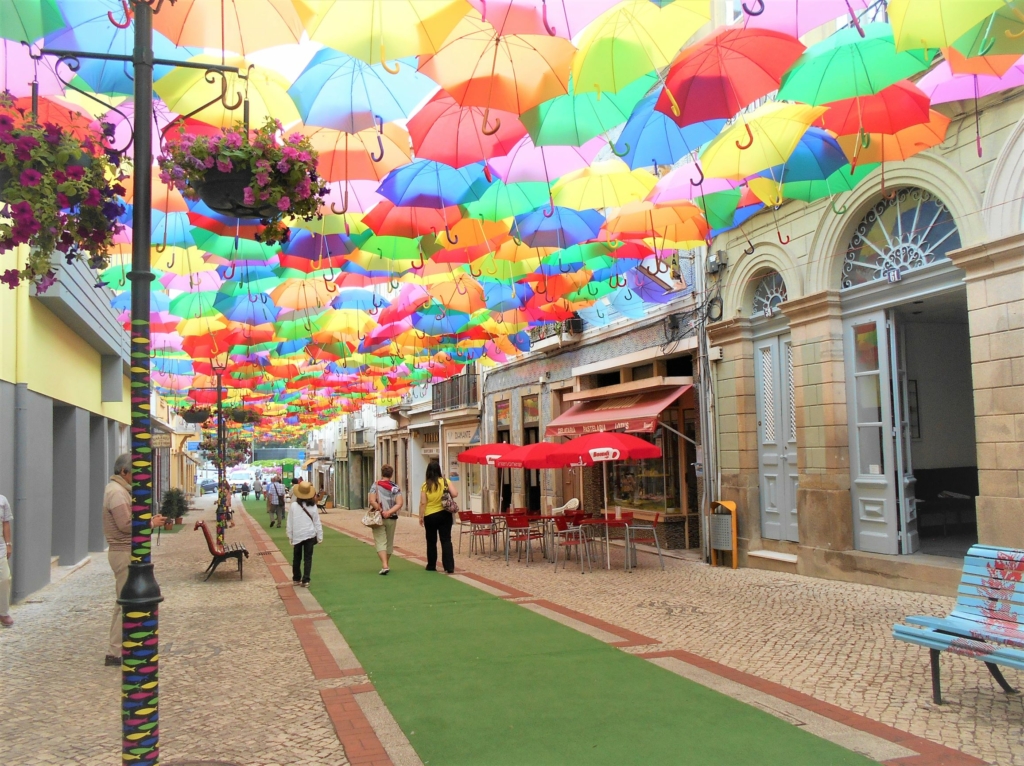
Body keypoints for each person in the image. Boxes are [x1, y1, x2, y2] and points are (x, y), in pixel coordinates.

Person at [103, 454, 164, 665]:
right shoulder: (117, 493)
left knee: (123, 600)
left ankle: (120, 646)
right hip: (122, 551)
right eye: (134, 473)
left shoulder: (119, 491)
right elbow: (126, 525)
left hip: (124, 550)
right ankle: (115, 651)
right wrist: (151, 523)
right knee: (125, 602)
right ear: (123, 472)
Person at [419, 460, 456, 574]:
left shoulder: (425, 485)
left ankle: (431, 565)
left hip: (430, 515)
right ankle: (449, 566)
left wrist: (421, 516)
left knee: (431, 541)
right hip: (445, 514)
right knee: (446, 540)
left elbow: (423, 502)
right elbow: (455, 494)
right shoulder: (446, 481)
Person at [368, 465, 403, 575]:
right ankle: (386, 563)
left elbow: (372, 500)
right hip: (392, 518)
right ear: (391, 474)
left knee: (380, 541)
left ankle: (384, 564)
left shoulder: (376, 485)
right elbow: (399, 503)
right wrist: (390, 512)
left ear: (382, 473)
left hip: (379, 517)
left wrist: (381, 509)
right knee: (389, 542)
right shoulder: (395, 487)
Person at [286, 481, 322, 587]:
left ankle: (296, 578)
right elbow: (317, 522)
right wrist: (320, 536)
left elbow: (290, 522)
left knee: (296, 557)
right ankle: (306, 579)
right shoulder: (313, 506)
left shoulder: (293, 506)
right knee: (308, 558)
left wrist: (290, 535)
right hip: (310, 534)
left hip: (297, 534)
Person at [0, 493, 13, 628]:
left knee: (4, 578)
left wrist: (8, 544)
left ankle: (3, 612)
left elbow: (6, 523)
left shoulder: (2, 500)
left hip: (0, 546)